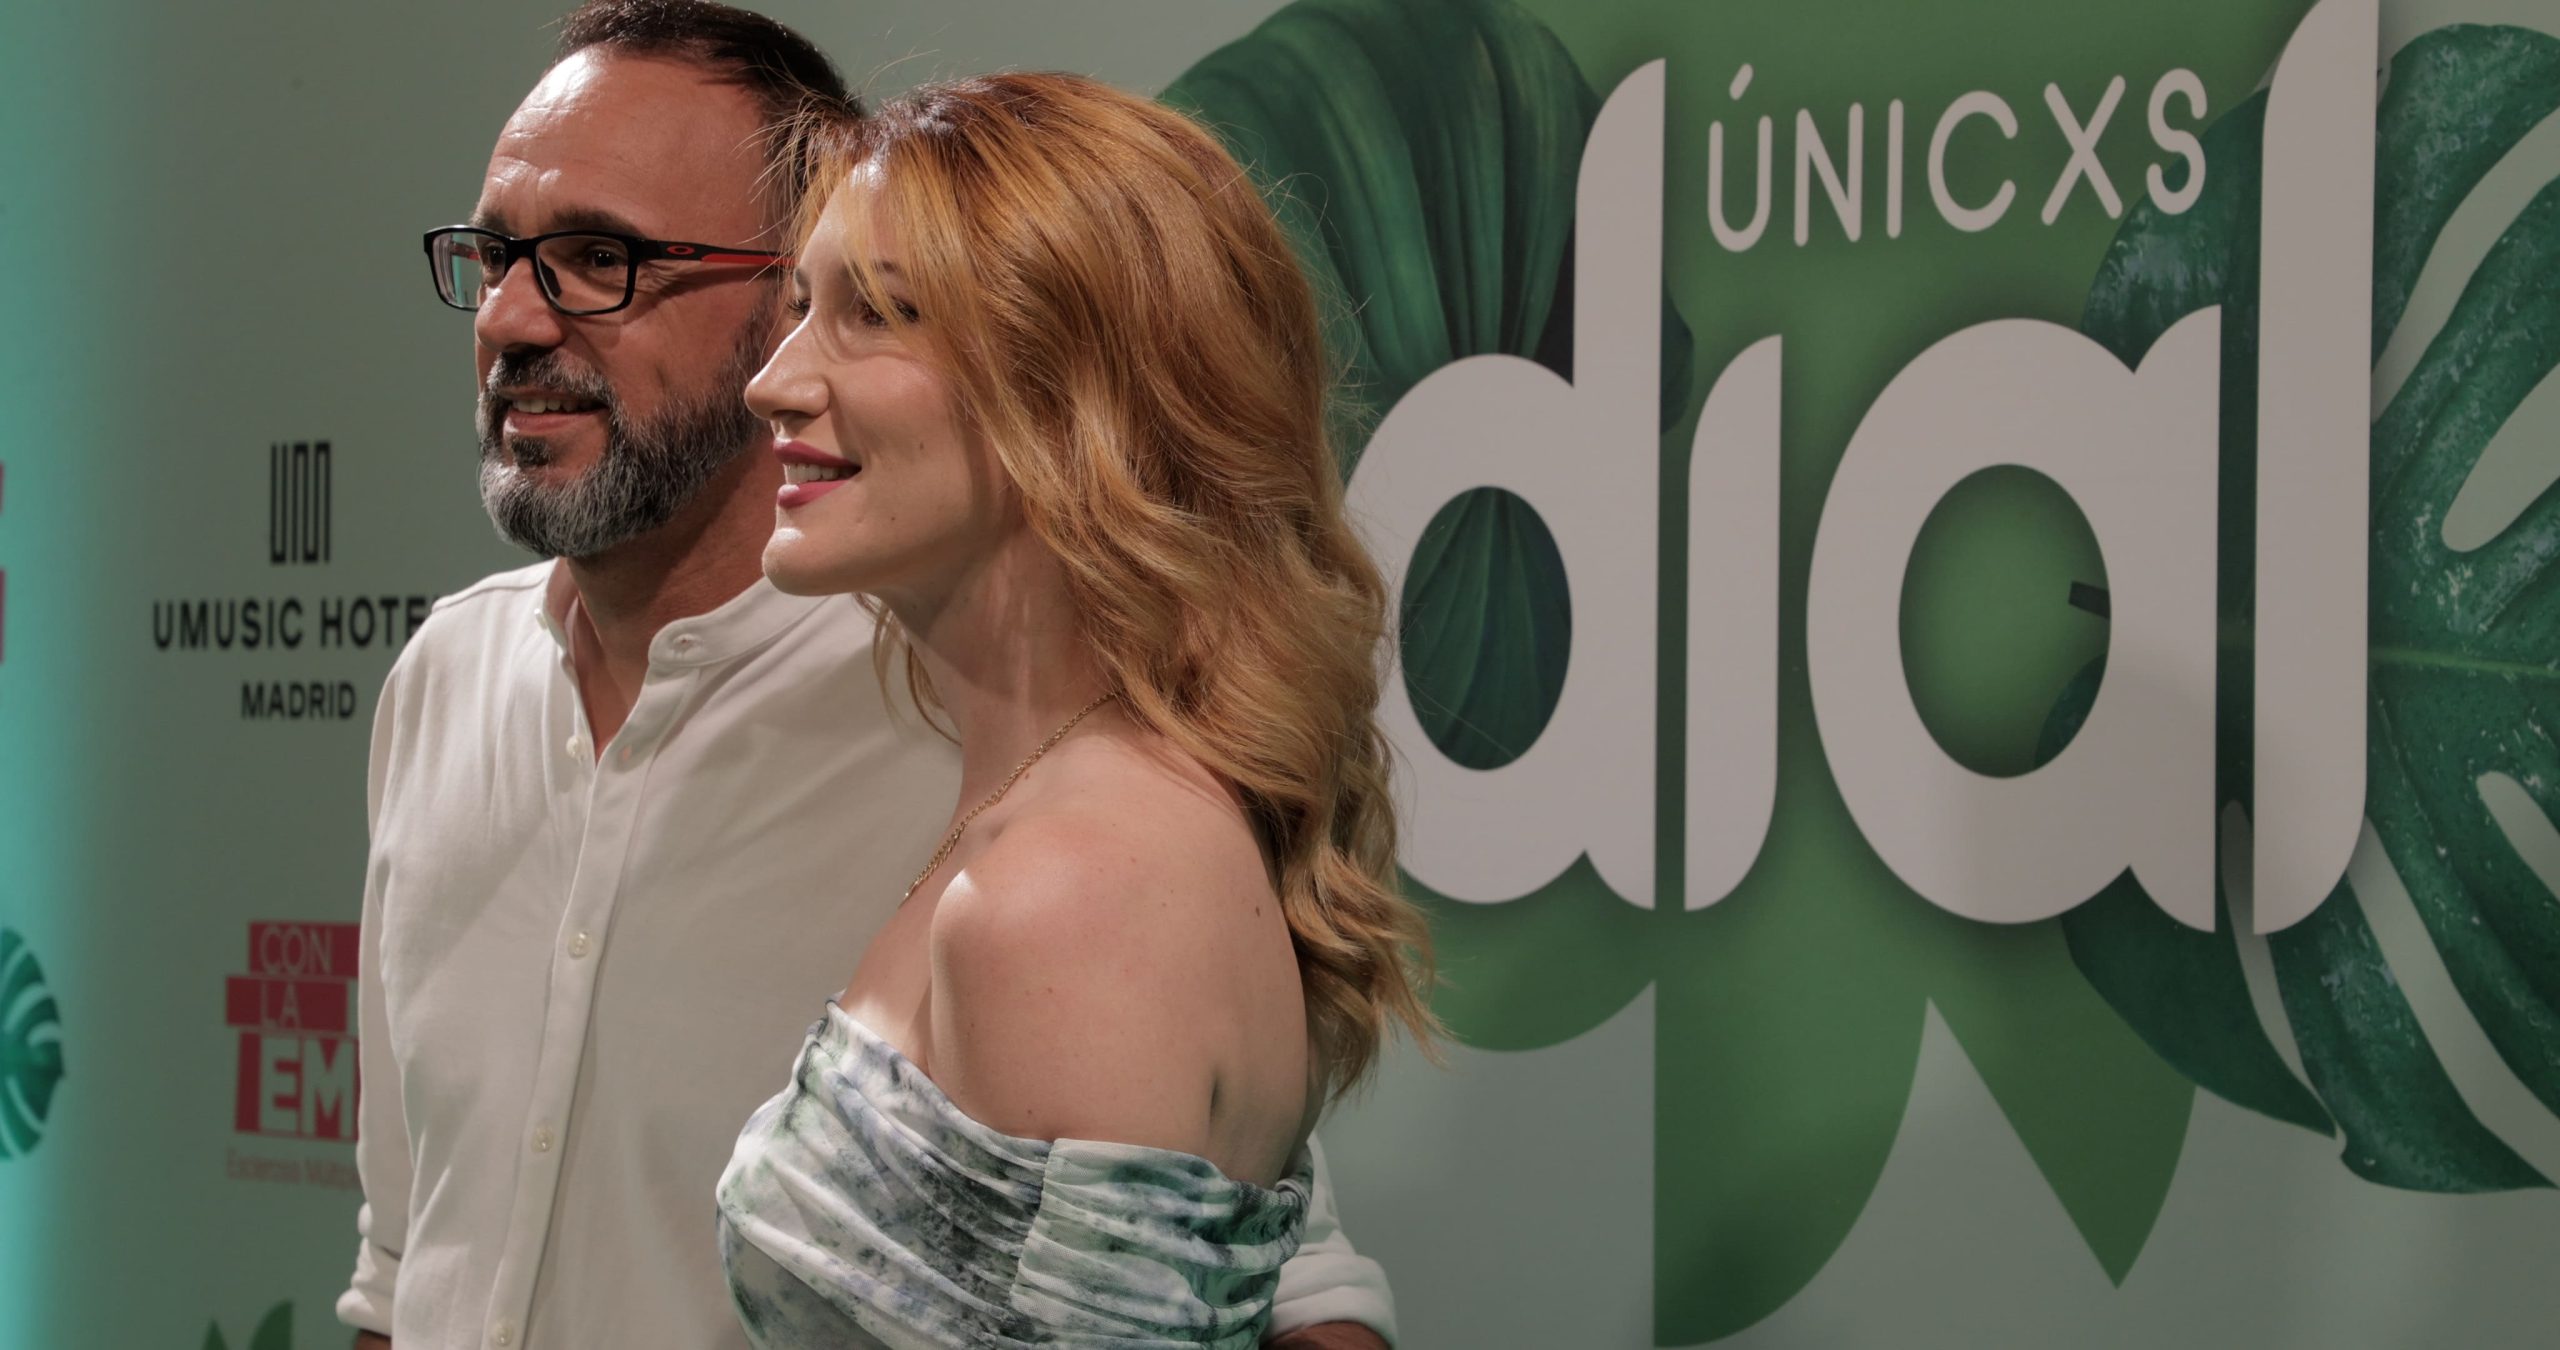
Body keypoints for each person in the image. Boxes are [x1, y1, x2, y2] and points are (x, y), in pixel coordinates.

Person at [341, 5, 1399, 1348]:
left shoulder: (1059, 838)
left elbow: (1256, 1283)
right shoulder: (441, 681)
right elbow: (400, 1263)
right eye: (492, 255)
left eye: (601, 259)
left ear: (1053, 389)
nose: (507, 316)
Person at [710, 72, 1440, 1347]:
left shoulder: (1074, 891)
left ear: (1073, 390)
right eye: (800, 310)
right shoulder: (1074, 811)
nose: (773, 383)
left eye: (874, 314)